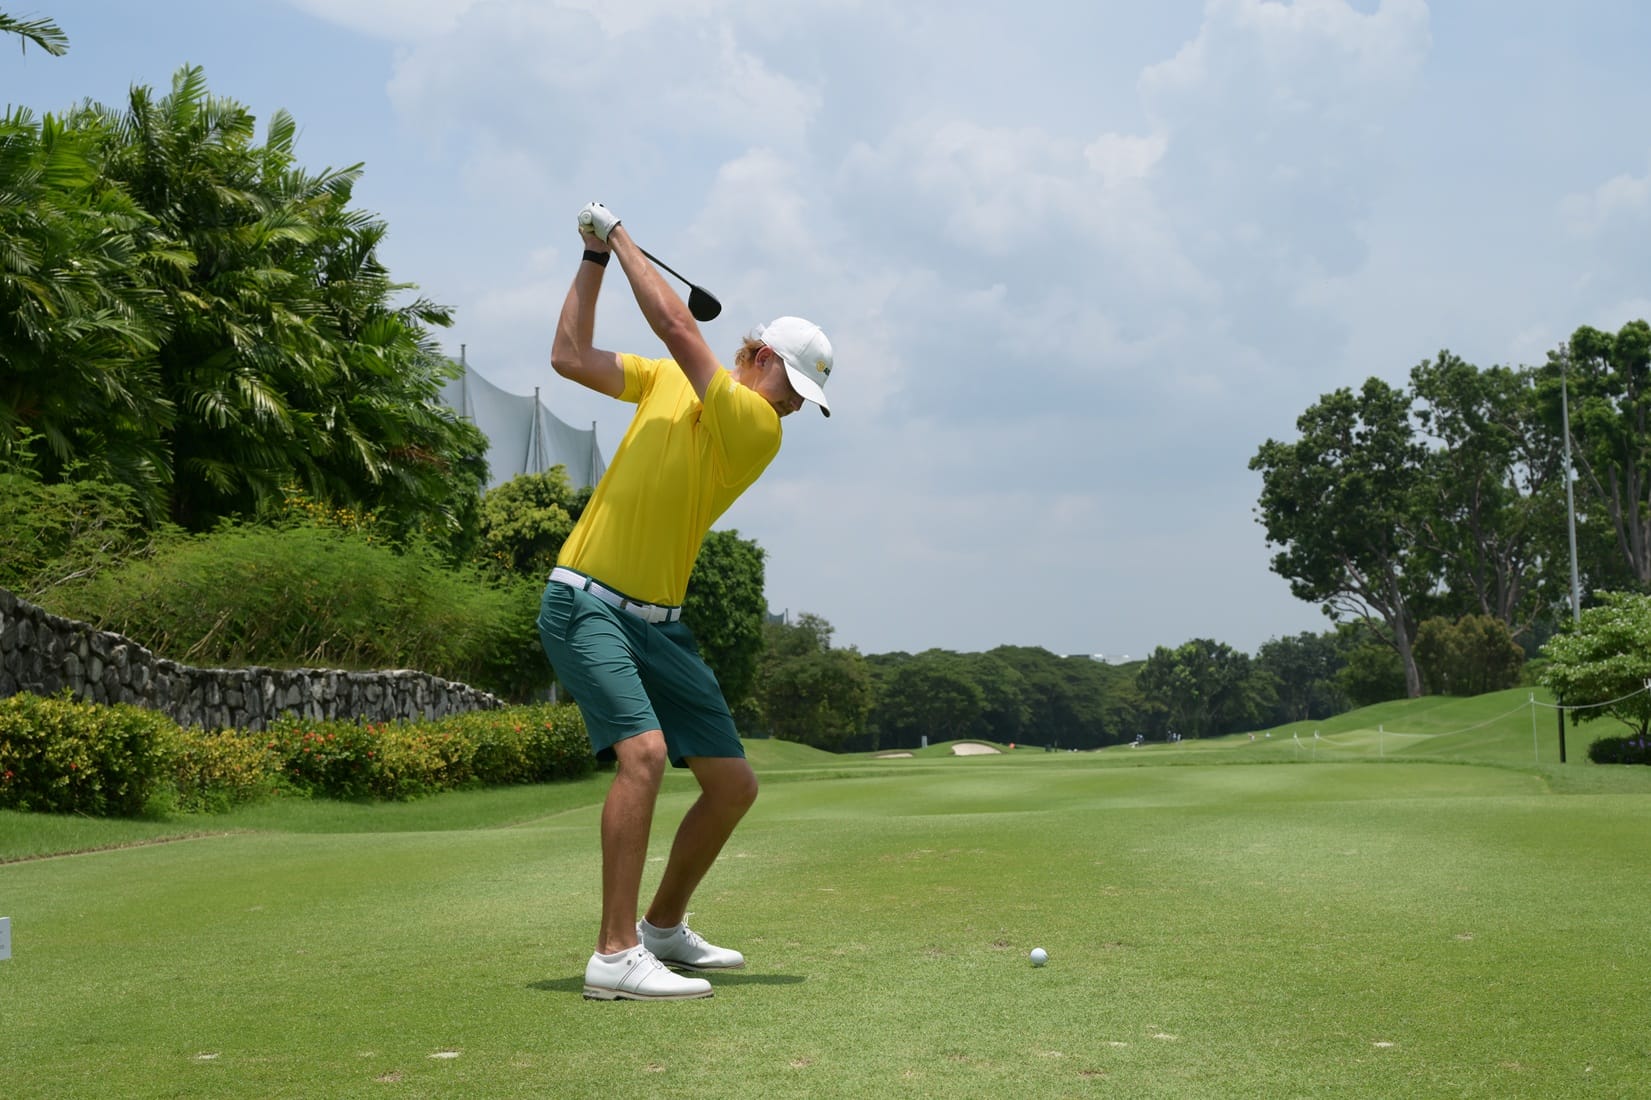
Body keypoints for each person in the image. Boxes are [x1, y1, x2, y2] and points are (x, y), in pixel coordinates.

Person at [539, 202, 834, 1001]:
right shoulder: (673, 383)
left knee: (732, 784)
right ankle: (613, 953)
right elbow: (569, 357)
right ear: (762, 356)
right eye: (795, 386)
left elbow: (675, 324)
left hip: (660, 627)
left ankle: (661, 928)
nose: (796, 405)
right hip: (588, 601)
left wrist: (619, 235)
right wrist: (592, 259)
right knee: (642, 756)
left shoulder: (753, 428)